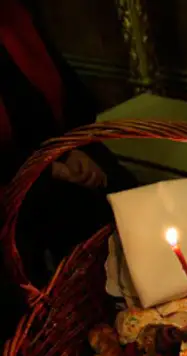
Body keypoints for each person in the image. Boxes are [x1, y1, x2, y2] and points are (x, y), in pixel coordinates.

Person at [0, 0, 137, 335]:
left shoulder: (14, 15)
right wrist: (49, 168)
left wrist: (71, 147)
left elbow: (62, 98)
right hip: (13, 180)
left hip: (58, 151)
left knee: (131, 206)